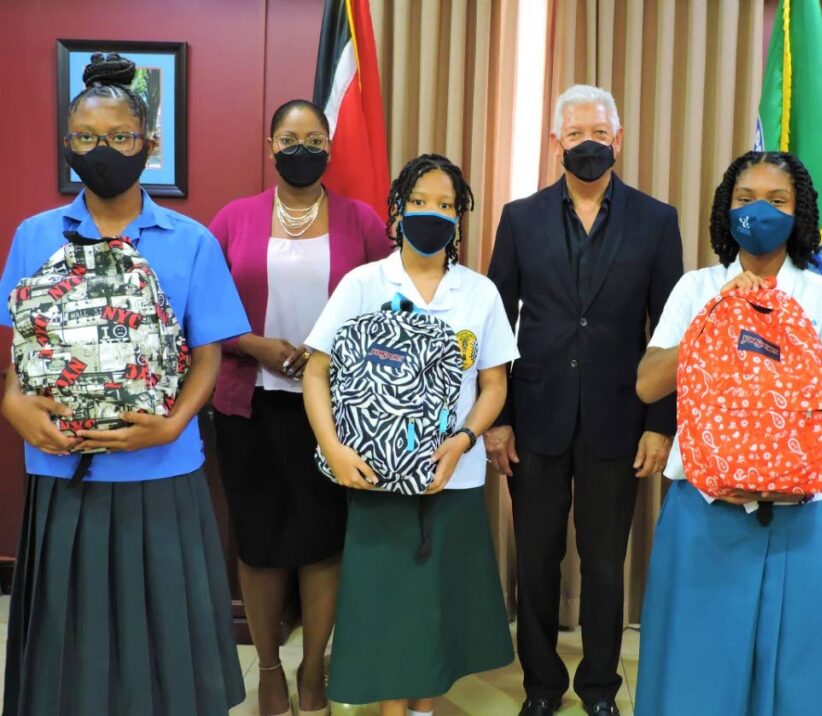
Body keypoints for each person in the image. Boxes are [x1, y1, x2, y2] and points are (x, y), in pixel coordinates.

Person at [0, 53, 248, 715]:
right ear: (67, 144)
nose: (102, 150)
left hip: (162, 472)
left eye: (120, 138)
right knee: (70, 657)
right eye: (87, 138)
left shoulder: (190, 241)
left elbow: (208, 353)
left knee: (167, 656)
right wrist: (12, 404)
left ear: (150, 146)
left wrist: (173, 424)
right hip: (63, 471)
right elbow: (20, 352)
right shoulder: (33, 237)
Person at [633, 151, 822, 716]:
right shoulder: (697, 288)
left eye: (777, 200)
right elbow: (647, 386)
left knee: (792, 671)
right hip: (704, 509)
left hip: (797, 516)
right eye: (745, 198)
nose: (758, 210)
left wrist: (801, 479)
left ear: (799, 214)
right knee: (696, 666)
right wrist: (719, 310)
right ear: (725, 209)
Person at [486, 84, 683, 716]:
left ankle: (600, 688)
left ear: (618, 139)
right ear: (555, 145)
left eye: (599, 132)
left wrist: (660, 425)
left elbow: (670, 334)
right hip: (535, 419)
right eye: (575, 135)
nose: (589, 144)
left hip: (618, 420)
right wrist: (499, 421)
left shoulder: (657, 220)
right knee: (537, 564)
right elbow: (496, 326)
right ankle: (541, 687)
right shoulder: (519, 219)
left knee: (604, 564)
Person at [303, 154, 516, 716]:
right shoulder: (364, 283)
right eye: (420, 201)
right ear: (397, 211)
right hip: (374, 478)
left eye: (446, 205)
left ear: (460, 218)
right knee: (388, 610)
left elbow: (494, 385)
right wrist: (332, 447)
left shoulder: (480, 293)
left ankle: (422, 710)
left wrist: (465, 440)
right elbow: (315, 372)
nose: (433, 214)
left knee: (436, 611)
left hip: (457, 478)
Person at [209, 98, 391, 716]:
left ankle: (313, 668)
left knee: (323, 544)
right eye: (290, 137)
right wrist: (254, 345)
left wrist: (330, 355)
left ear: (330, 147)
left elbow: (388, 308)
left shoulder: (361, 221)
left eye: (314, 137)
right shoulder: (233, 219)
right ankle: (267, 669)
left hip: (334, 414)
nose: (302, 147)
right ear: (270, 145)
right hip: (249, 405)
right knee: (258, 545)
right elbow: (200, 312)